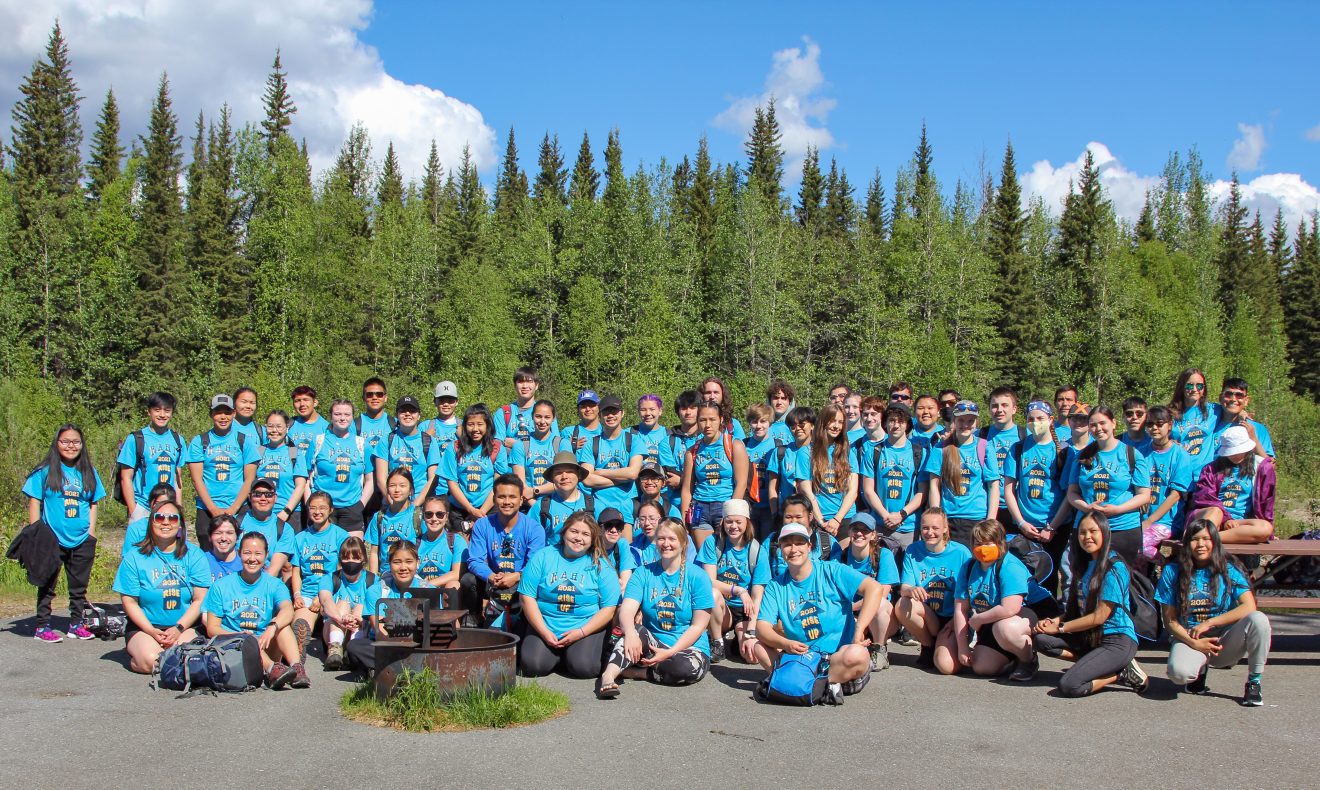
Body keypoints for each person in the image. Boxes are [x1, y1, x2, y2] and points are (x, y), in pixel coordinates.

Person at [754, 522, 884, 704]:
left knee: (858, 655)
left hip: (838, 657)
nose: (793, 549)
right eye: (787, 544)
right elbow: (762, 628)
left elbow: (874, 589)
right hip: (802, 658)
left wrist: (859, 630)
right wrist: (786, 643)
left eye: (799, 543)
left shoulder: (831, 570)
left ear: (810, 546)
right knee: (759, 647)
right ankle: (826, 686)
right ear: (780, 549)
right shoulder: (776, 586)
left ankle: (798, 684)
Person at [1155, 518, 1271, 706]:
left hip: (1224, 641)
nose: (1200, 544)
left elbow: (1249, 606)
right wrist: (1194, 642)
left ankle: (1254, 681)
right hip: (1191, 637)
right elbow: (1169, 621)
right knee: (1179, 673)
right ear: (1186, 544)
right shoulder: (1172, 571)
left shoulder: (1228, 568)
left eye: (1206, 539)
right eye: (1195, 539)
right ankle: (1199, 672)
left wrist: (1210, 622)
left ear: (1215, 542)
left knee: (1258, 620)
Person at [597, 517, 714, 698]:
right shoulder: (643, 573)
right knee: (633, 631)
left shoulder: (698, 577)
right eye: (661, 538)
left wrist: (670, 652)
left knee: (687, 670)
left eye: (672, 539)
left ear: (683, 543)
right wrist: (630, 633)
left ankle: (638, 672)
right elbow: (627, 609)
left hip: (688, 647)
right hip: (653, 639)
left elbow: (698, 626)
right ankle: (608, 676)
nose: (665, 544)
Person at [1034, 513, 1150, 696]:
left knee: (1070, 685)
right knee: (1041, 639)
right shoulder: (1083, 564)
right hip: (1089, 637)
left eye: (1093, 531)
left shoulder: (1115, 567)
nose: (1087, 536)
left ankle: (1119, 673)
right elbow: (1075, 610)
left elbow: (1099, 616)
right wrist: (1053, 622)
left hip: (1116, 639)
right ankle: (1097, 664)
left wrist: (1061, 628)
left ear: (1105, 532)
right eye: (1082, 532)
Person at [23, 424, 106, 642]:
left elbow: (94, 502)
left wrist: (91, 531)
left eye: (75, 442)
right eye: (65, 441)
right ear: (57, 443)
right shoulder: (45, 470)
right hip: (51, 537)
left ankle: (76, 624)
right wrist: (36, 532)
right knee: (47, 583)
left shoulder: (89, 471)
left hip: (81, 538)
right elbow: (35, 500)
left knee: (79, 586)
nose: (71, 446)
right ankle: (42, 627)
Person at [949, 519, 1058, 680]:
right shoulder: (969, 567)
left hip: (1034, 612)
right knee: (982, 667)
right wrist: (962, 647)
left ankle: (1028, 660)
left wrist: (978, 619)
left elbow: (1010, 608)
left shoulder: (1010, 566)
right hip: (994, 619)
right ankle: (1012, 655)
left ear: (1000, 543)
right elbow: (960, 609)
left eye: (988, 543)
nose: (983, 549)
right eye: (978, 543)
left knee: (1006, 629)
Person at [516, 512, 621, 678]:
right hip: (546, 624)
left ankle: (571, 655)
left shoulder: (601, 565)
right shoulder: (543, 556)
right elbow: (526, 597)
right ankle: (558, 655)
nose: (579, 538)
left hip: (584, 627)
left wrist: (581, 632)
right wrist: (543, 632)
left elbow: (608, 609)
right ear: (564, 532)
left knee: (584, 668)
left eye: (585, 534)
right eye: (574, 531)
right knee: (533, 666)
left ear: (593, 538)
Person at [113, 498, 210, 673]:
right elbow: (130, 602)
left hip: (184, 626)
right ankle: (140, 653)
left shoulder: (195, 555)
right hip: (146, 627)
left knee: (186, 658)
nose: (166, 522)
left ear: (180, 525)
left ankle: (161, 651)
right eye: (159, 518)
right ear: (151, 523)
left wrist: (178, 628)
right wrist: (150, 630)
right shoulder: (134, 557)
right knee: (152, 661)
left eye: (172, 518)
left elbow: (200, 599)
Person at [203, 532, 306, 689]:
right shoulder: (220, 586)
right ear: (239, 554)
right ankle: (273, 669)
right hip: (236, 649)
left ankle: (296, 668)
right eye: (247, 553)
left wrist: (273, 627)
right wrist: (240, 636)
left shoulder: (275, 584)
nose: (252, 558)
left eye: (258, 553)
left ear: (266, 555)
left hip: (265, 641)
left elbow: (287, 610)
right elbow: (212, 628)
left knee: (281, 624)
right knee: (246, 640)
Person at [1065, 406, 1153, 563]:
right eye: (1093, 425)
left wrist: (1117, 509)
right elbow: (1072, 493)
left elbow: (1144, 495)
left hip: (1122, 527)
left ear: (1114, 423)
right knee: (1086, 579)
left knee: (1119, 580)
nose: (1098, 428)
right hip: (1087, 529)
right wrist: (1087, 508)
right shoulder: (1081, 456)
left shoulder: (1131, 454)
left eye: (1102, 423)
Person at [1002, 400, 1073, 592]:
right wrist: (1021, 523)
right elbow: (1008, 488)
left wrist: (1052, 527)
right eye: (1031, 419)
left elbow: (1069, 494)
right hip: (1026, 526)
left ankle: (1048, 616)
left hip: (1056, 527)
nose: (1035, 422)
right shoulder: (1018, 449)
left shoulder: (1065, 451)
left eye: (1040, 418)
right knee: (1023, 576)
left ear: (1051, 420)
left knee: (1052, 576)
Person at [463, 475, 547, 627]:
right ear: (494, 499)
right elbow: (475, 560)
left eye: (512, 497)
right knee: (468, 580)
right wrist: (491, 576)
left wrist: (516, 576)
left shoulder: (534, 528)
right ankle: (475, 620)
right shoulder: (483, 525)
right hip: (492, 579)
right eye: (501, 497)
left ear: (521, 500)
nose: (507, 502)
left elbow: (535, 566)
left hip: (521, 581)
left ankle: (528, 623)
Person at [895, 508, 973, 669]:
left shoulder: (961, 553)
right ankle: (928, 646)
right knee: (903, 604)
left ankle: (947, 645)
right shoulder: (913, 550)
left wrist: (955, 622)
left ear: (945, 528)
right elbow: (904, 588)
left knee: (946, 667)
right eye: (925, 528)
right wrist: (911, 590)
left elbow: (971, 595)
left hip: (954, 617)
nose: (930, 532)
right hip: (929, 616)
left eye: (935, 528)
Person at [347, 540, 436, 673]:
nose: (403, 567)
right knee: (355, 646)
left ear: (418, 563)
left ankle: (389, 668)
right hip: (386, 644)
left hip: (419, 645)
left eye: (409, 561)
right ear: (389, 564)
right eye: (397, 562)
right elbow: (380, 631)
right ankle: (405, 668)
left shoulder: (430, 590)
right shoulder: (376, 591)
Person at [187, 394, 260, 552]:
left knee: (240, 552)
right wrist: (213, 509)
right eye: (218, 412)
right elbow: (196, 479)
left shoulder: (244, 441)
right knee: (208, 554)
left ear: (234, 414)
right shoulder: (200, 442)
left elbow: (249, 480)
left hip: (239, 508)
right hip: (207, 508)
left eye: (227, 412)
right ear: (211, 414)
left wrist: (233, 509)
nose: (223, 417)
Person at [923, 400, 1000, 547]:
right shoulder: (941, 448)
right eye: (961, 420)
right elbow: (934, 486)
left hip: (977, 518)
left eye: (970, 420)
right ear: (954, 421)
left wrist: (990, 521)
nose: (966, 424)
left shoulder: (984, 447)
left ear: (976, 422)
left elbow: (993, 486)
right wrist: (937, 518)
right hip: (949, 518)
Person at [696, 499, 760, 664]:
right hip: (722, 607)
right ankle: (718, 642)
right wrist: (739, 590)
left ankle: (736, 641)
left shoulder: (756, 549)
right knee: (712, 593)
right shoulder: (713, 542)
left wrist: (751, 631)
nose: (733, 526)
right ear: (723, 522)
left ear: (747, 522)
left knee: (751, 657)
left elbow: (757, 595)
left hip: (745, 610)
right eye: (729, 521)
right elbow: (709, 581)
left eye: (739, 521)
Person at [1187, 425, 1276, 544]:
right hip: (1212, 516)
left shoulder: (1262, 468)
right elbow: (1205, 499)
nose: (1235, 455)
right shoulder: (1211, 469)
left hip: (1239, 523)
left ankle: (1208, 537)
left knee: (1265, 528)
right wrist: (1226, 519)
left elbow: (1266, 503)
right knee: (1215, 511)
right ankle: (1206, 535)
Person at [680, 400, 749, 548]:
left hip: (725, 504)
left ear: (721, 419)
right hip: (700, 507)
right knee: (705, 557)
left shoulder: (734, 445)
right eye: (703, 420)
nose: (707, 425)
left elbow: (741, 483)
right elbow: (687, 489)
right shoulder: (692, 451)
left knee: (724, 553)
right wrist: (684, 517)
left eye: (712, 419)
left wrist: (730, 513)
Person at [289, 490, 350, 657]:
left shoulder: (340, 535)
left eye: (322, 508)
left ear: (331, 510)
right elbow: (296, 571)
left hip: (333, 592)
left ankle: (334, 651)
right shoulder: (300, 538)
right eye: (313, 507)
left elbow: (341, 571)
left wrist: (323, 597)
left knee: (335, 619)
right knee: (301, 623)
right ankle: (298, 653)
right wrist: (297, 595)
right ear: (308, 510)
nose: (317, 512)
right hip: (307, 593)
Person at [859, 401, 926, 548]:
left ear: (907, 424)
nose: (896, 425)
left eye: (901, 421)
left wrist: (902, 514)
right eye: (892, 420)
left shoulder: (919, 452)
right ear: (885, 423)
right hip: (880, 525)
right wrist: (885, 515)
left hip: (909, 526)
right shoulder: (874, 451)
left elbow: (922, 492)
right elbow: (868, 490)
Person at [839, 513, 899, 671]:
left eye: (865, 530)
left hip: (879, 619)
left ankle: (879, 650)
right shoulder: (841, 557)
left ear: (873, 535)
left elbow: (882, 594)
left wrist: (852, 608)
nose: (859, 533)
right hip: (850, 616)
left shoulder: (883, 555)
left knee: (880, 604)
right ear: (849, 532)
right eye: (855, 529)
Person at [438, 404, 512, 533]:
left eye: (480, 424)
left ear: (488, 425)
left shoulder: (497, 448)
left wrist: (481, 512)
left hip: (488, 508)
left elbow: (498, 485)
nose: (475, 429)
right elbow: (452, 482)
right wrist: (470, 509)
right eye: (471, 424)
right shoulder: (454, 448)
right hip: (458, 508)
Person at [578, 395, 644, 537]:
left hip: (627, 505)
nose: (610, 416)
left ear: (622, 413)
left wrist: (601, 472)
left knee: (625, 549)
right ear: (600, 415)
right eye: (606, 412)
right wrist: (623, 477)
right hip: (599, 505)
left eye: (614, 411)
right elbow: (587, 480)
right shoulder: (592, 444)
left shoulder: (633, 440)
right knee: (601, 550)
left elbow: (633, 473)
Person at [307, 399, 374, 536]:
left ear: (352, 417)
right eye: (337, 414)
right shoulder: (318, 441)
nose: (342, 418)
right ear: (331, 416)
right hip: (322, 508)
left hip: (351, 507)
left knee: (352, 555)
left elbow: (370, 479)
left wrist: (360, 505)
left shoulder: (362, 444)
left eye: (347, 414)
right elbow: (306, 478)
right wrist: (310, 503)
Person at [115, 391, 185, 520]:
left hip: (168, 506)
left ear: (172, 413)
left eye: (167, 410)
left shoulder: (178, 440)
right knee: (139, 541)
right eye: (157, 410)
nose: (162, 415)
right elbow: (126, 477)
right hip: (142, 506)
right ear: (149, 411)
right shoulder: (136, 439)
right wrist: (133, 510)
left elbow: (177, 479)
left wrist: (178, 508)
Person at [796, 404, 858, 537]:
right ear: (823, 421)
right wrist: (822, 521)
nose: (836, 426)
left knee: (843, 556)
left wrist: (837, 520)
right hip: (819, 519)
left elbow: (853, 491)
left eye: (840, 422)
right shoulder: (806, 452)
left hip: (845, 517)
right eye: (832, 421)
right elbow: (806, 491)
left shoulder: (848, 452)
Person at [1141, 405, 1195, 558]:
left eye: (1159, 423)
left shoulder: (1180, 455)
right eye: (1150, 424)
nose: (1154, 428)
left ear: (1169, 425)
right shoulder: (1141, 453)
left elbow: (1175, 495)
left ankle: (1167, 567)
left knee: (1139, 545)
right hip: (1140, 517)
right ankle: (1146, 582)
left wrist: (1150, 521)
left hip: (1167, 521)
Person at [372, 395, 439, 510]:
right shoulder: (386, 440)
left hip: (420, 504)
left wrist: (415, 505)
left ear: (419, 415)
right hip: (392, 503)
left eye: (412, 411)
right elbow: (381, 479)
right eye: (403, 411)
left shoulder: (429, 441)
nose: (408, 414)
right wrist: (392, 502)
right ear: (397, 415)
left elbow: (432, 478)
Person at [317, 537, 372, 671]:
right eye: (346, 558)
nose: (351, 562)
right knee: (342, 604)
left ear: (363, 559)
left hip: (358, 628)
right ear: (340, 559)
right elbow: (326, 600)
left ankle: (352, 652)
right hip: (333, 630)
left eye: (355, 557)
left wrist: (355, 618)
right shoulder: (329, 578)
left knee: (360, 607)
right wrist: (340, 618)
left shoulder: (372, 580)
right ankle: (335, 650)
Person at [255, 410, 308, 533]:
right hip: (262, 513)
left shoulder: (294, 452)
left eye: (279, 426)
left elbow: (300, 486)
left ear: (287, 427)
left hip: (289, 514)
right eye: (270, 426)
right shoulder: (259, 451)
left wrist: (286, 511)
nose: (275, 430)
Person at [982, 387, 1027, 529]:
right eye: (994, 406)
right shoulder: (980, 435)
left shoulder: (1026, 435)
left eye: (1004, 405)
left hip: (1016, 506)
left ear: (1014, 409)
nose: (999, 410)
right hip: (987, 505)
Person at [528, 452, 596, 543]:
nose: (564, 477)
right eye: (558, 473)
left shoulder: (593, 505)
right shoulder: (541, 507)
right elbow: (530, 538)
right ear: (552, 478)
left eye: (570, 472)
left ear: (579, 475)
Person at [1207, 378, 1276, 464]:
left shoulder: (1257, 429)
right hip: (1207, 476)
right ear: (1220, 398)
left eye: (1239, 395)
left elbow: (1270, 467)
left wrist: (1252, 437)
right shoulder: (1210, 424)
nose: (1233, 399)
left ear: (1246, 401)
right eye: (1228, 394)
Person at [365, 468, 418, 575]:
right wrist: (374, 579)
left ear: (411, 490)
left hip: (411, 574)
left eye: (402, 486)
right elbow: (374, 552)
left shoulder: (418, 516)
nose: (397, 489)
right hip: (386, 574)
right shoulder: (379, 517)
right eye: (392, 485)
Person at [237, 478, 296, 575]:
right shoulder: (235, 523)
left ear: (275, 498)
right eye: (257, 494)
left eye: (268, 495)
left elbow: (273, 571)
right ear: (250, 497)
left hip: (266, 583)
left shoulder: (285, 529)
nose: (263, 498)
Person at [744, 403, 784, 540]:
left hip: (771, 506)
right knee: (750, 544)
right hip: (750, 506)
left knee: (769, 544)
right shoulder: (743, 445)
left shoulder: (778, 446)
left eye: (763, 421)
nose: (759, 426)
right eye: (754, 421)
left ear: (770, 423)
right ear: (749, 423)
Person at [511, 399, 562, 505]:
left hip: (558, 502)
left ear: (553, 419)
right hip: (529, 504)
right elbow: (521, 485)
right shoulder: (520, 445)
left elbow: (564, 481)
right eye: (538, 416)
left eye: (547, 417)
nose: (542, 422)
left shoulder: (562, 444)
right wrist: (536, 508)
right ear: (532, 417)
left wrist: (535, 490)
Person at [494, 366, 558, 447]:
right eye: (520, 381)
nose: (525, 386)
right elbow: (497, 445)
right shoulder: (503, 413)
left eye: (529, 381)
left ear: (537, 385)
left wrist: (516, 444)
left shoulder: (546, 412)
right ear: (515, 385)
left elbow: (554, 444)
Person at [1169, 368, 1217, 468]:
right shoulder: (1169, 413)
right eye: (1189, 385)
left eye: (1199, 386)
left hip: (1205, 476)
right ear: (1181, 387)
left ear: (1204, 389)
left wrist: (1242, 413)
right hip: (1179, 472)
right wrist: (1169, 442)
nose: (1195, 389)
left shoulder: (1214, 411)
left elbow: (1232, 411)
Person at [417, 495, 467, 590]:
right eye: (429, 514)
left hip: (443, 592)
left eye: (439, 514)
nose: (434, 519)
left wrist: (427, 585)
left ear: (446, 516)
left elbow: (456, 574)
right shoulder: (416, 543)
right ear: (423, 516)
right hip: (420, 593)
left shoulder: (456, 541)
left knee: (453, 585)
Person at [658, 389, 702, 491]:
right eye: (684, 408)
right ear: (678, 412)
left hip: (702, 498)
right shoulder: (667, 442)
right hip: (675, 501)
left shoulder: (707, 438)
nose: (688, 412)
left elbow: (708, 473)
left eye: (692, 408)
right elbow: (671, 474)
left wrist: (681, 480)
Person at [121, 482, 178, 552]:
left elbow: (182, 551)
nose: (160, 507)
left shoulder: (177, 527)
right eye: (157, 503)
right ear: (150, 503)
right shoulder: (136, 529)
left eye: (165, 503)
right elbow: (127, 556)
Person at [354, 377, 396, 460]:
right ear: (364, 398)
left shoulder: (395, 424)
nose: (374, 397)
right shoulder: (354, 425)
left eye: (379, 394)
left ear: (385, 398)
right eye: (369, 394)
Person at [598, 508, 638, 590]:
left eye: (619, 526)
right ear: (600, 528)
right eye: (608, 525)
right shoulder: (591, 545)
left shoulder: (622, 544)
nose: (614, 530)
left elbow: (625, 583)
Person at [287, 385, 329, 458]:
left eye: (306, 400)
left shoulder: (327, 428)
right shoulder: (288, 426)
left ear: (315, 402)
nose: (302, 404)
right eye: (297, 401)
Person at [630, 394, 667, 466]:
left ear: (660, 411)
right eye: (643, 410)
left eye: (652, 409)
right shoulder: (629, 433)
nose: (647, 413)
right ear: (638, 412)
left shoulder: (669, 435)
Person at [203, 515, 244, 581]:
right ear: (210, 537)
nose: (224, 538)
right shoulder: (201, 561)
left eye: (229, 533)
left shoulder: (245, 563)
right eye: (218, 533)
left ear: (237, 537)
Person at [765, 379, 796, 445]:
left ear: (790, 402)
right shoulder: (761, 425)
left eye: (783, 398)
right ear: (769, 401)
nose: (779, 402)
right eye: (776, 398)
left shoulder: (797, 426)